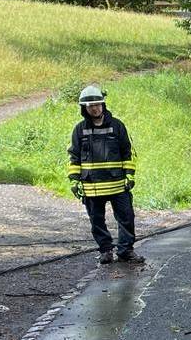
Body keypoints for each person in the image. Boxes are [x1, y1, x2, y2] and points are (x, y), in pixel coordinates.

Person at [67, 85, 144, 265]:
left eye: (98, 104)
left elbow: (128, 152)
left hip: (118, 184)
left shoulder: (117, 126)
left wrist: (130, 175)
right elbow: (74, 157)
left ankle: (126, 251)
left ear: (103, 104)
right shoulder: (79, 130)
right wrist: (74, 180)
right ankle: (106, 251)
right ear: (84, 108)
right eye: (90, 105)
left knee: (126, 218)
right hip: (92, 186)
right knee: (97, 221)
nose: (95, 108)